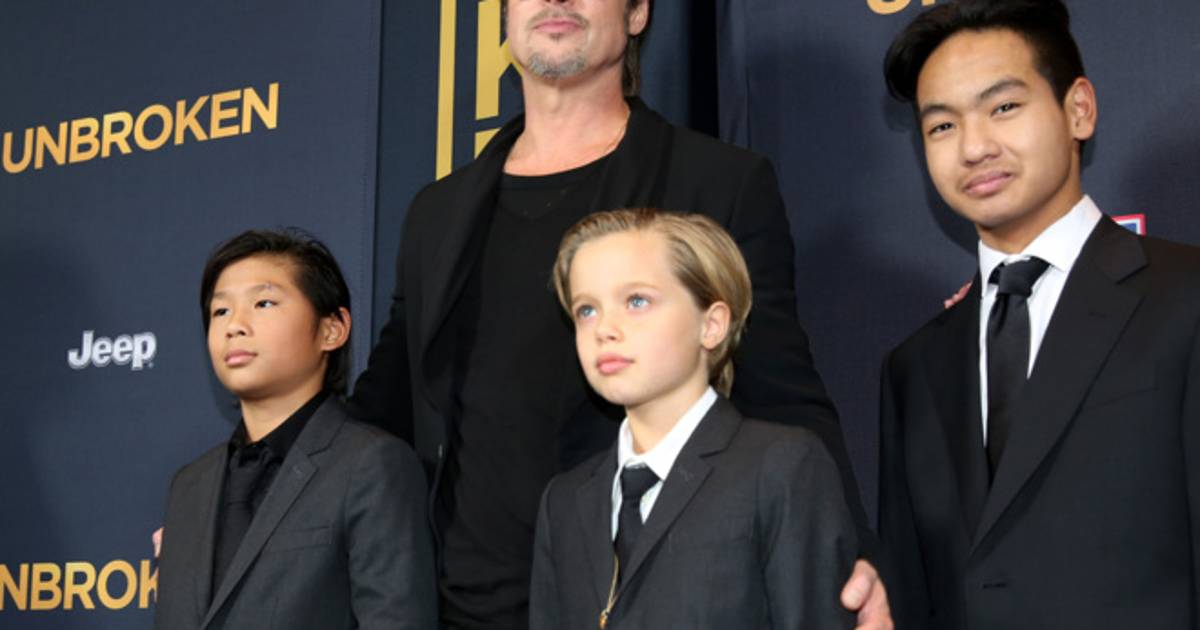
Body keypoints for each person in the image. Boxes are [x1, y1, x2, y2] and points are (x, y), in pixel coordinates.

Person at [349, 1, 889, 627]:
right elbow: (384, 410)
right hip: (458, 609)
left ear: (637, 14)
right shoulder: (437, 213)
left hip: (638, 598)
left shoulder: (717, 183)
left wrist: (853, 561)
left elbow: (782, 391)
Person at [877, 1, 1200, 628]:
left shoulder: (1184, 299)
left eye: (1003, 107)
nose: (974, 147)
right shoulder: (914, 368)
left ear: (1078, 109)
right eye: (941, 126)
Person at [529, 208, 857, 628]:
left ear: (712, 325)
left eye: (637, 301)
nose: (604, 329)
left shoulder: (779, 467)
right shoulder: (564, 502)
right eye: (586, 310)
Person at [155, 230, 437, 630]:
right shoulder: (189, 486)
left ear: (332, 329)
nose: (234, 325)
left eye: (263, 303)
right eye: (220, 311)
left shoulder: (371, 465)